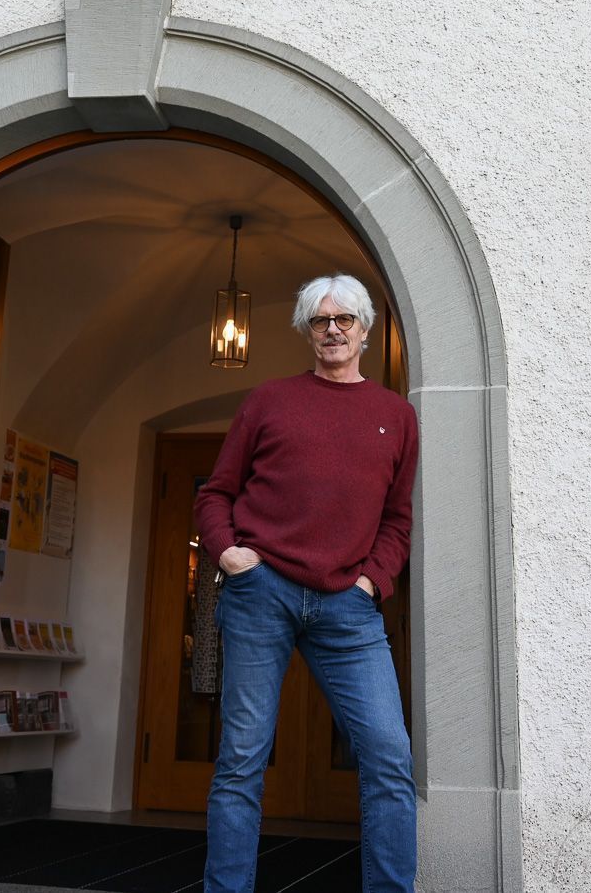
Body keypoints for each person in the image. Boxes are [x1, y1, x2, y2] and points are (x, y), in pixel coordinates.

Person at [194, 273, 418, 893]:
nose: (333, 330)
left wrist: (374, 582)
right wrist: (230, 554)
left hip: (349, 606)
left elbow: (397, 518)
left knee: (390, 759)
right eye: (321, 321)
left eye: (344, 319)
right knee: (241, 761)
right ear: (307, 332)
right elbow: (216, 494)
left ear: (365, 330)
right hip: (260, 593)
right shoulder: (269, 401)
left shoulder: (396, 417)